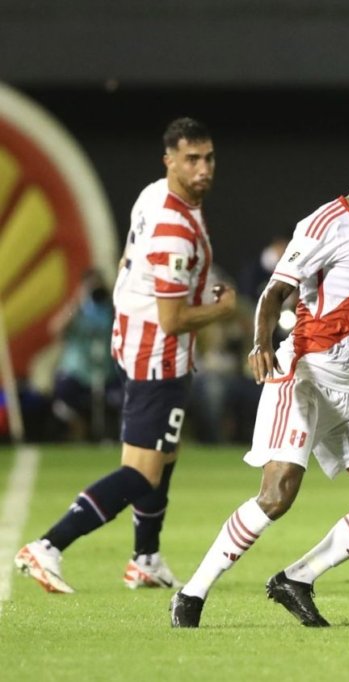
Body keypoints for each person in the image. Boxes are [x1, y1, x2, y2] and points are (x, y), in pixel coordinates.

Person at [170, 132, 349, 628]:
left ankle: (297, 578)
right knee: (277, 494)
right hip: (304, 373)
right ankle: (191, 594)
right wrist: (260, 342)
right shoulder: (323, 223)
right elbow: (274, 293)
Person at [15, 117, 237, 593]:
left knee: (164, 452)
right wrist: (221, 308)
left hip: (138, 337)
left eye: (209, 157)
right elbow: (175, 318)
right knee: (141, 472)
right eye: (191, 159)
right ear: (170, 161)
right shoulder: (175, 229)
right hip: (158, 351)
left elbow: (124, 262)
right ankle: (48, 546)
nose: (203, 168)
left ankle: (146, 558)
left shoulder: (154, 193)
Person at [49, 269, 120, 442]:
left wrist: (112, 299)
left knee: (125, 397)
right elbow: (55, 329)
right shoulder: (78, 309)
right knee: (62, 395)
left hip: (106, 373)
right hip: (78, 374)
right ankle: (79, 430)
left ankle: (115, 435)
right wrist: (78, 301)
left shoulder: (112, 309)